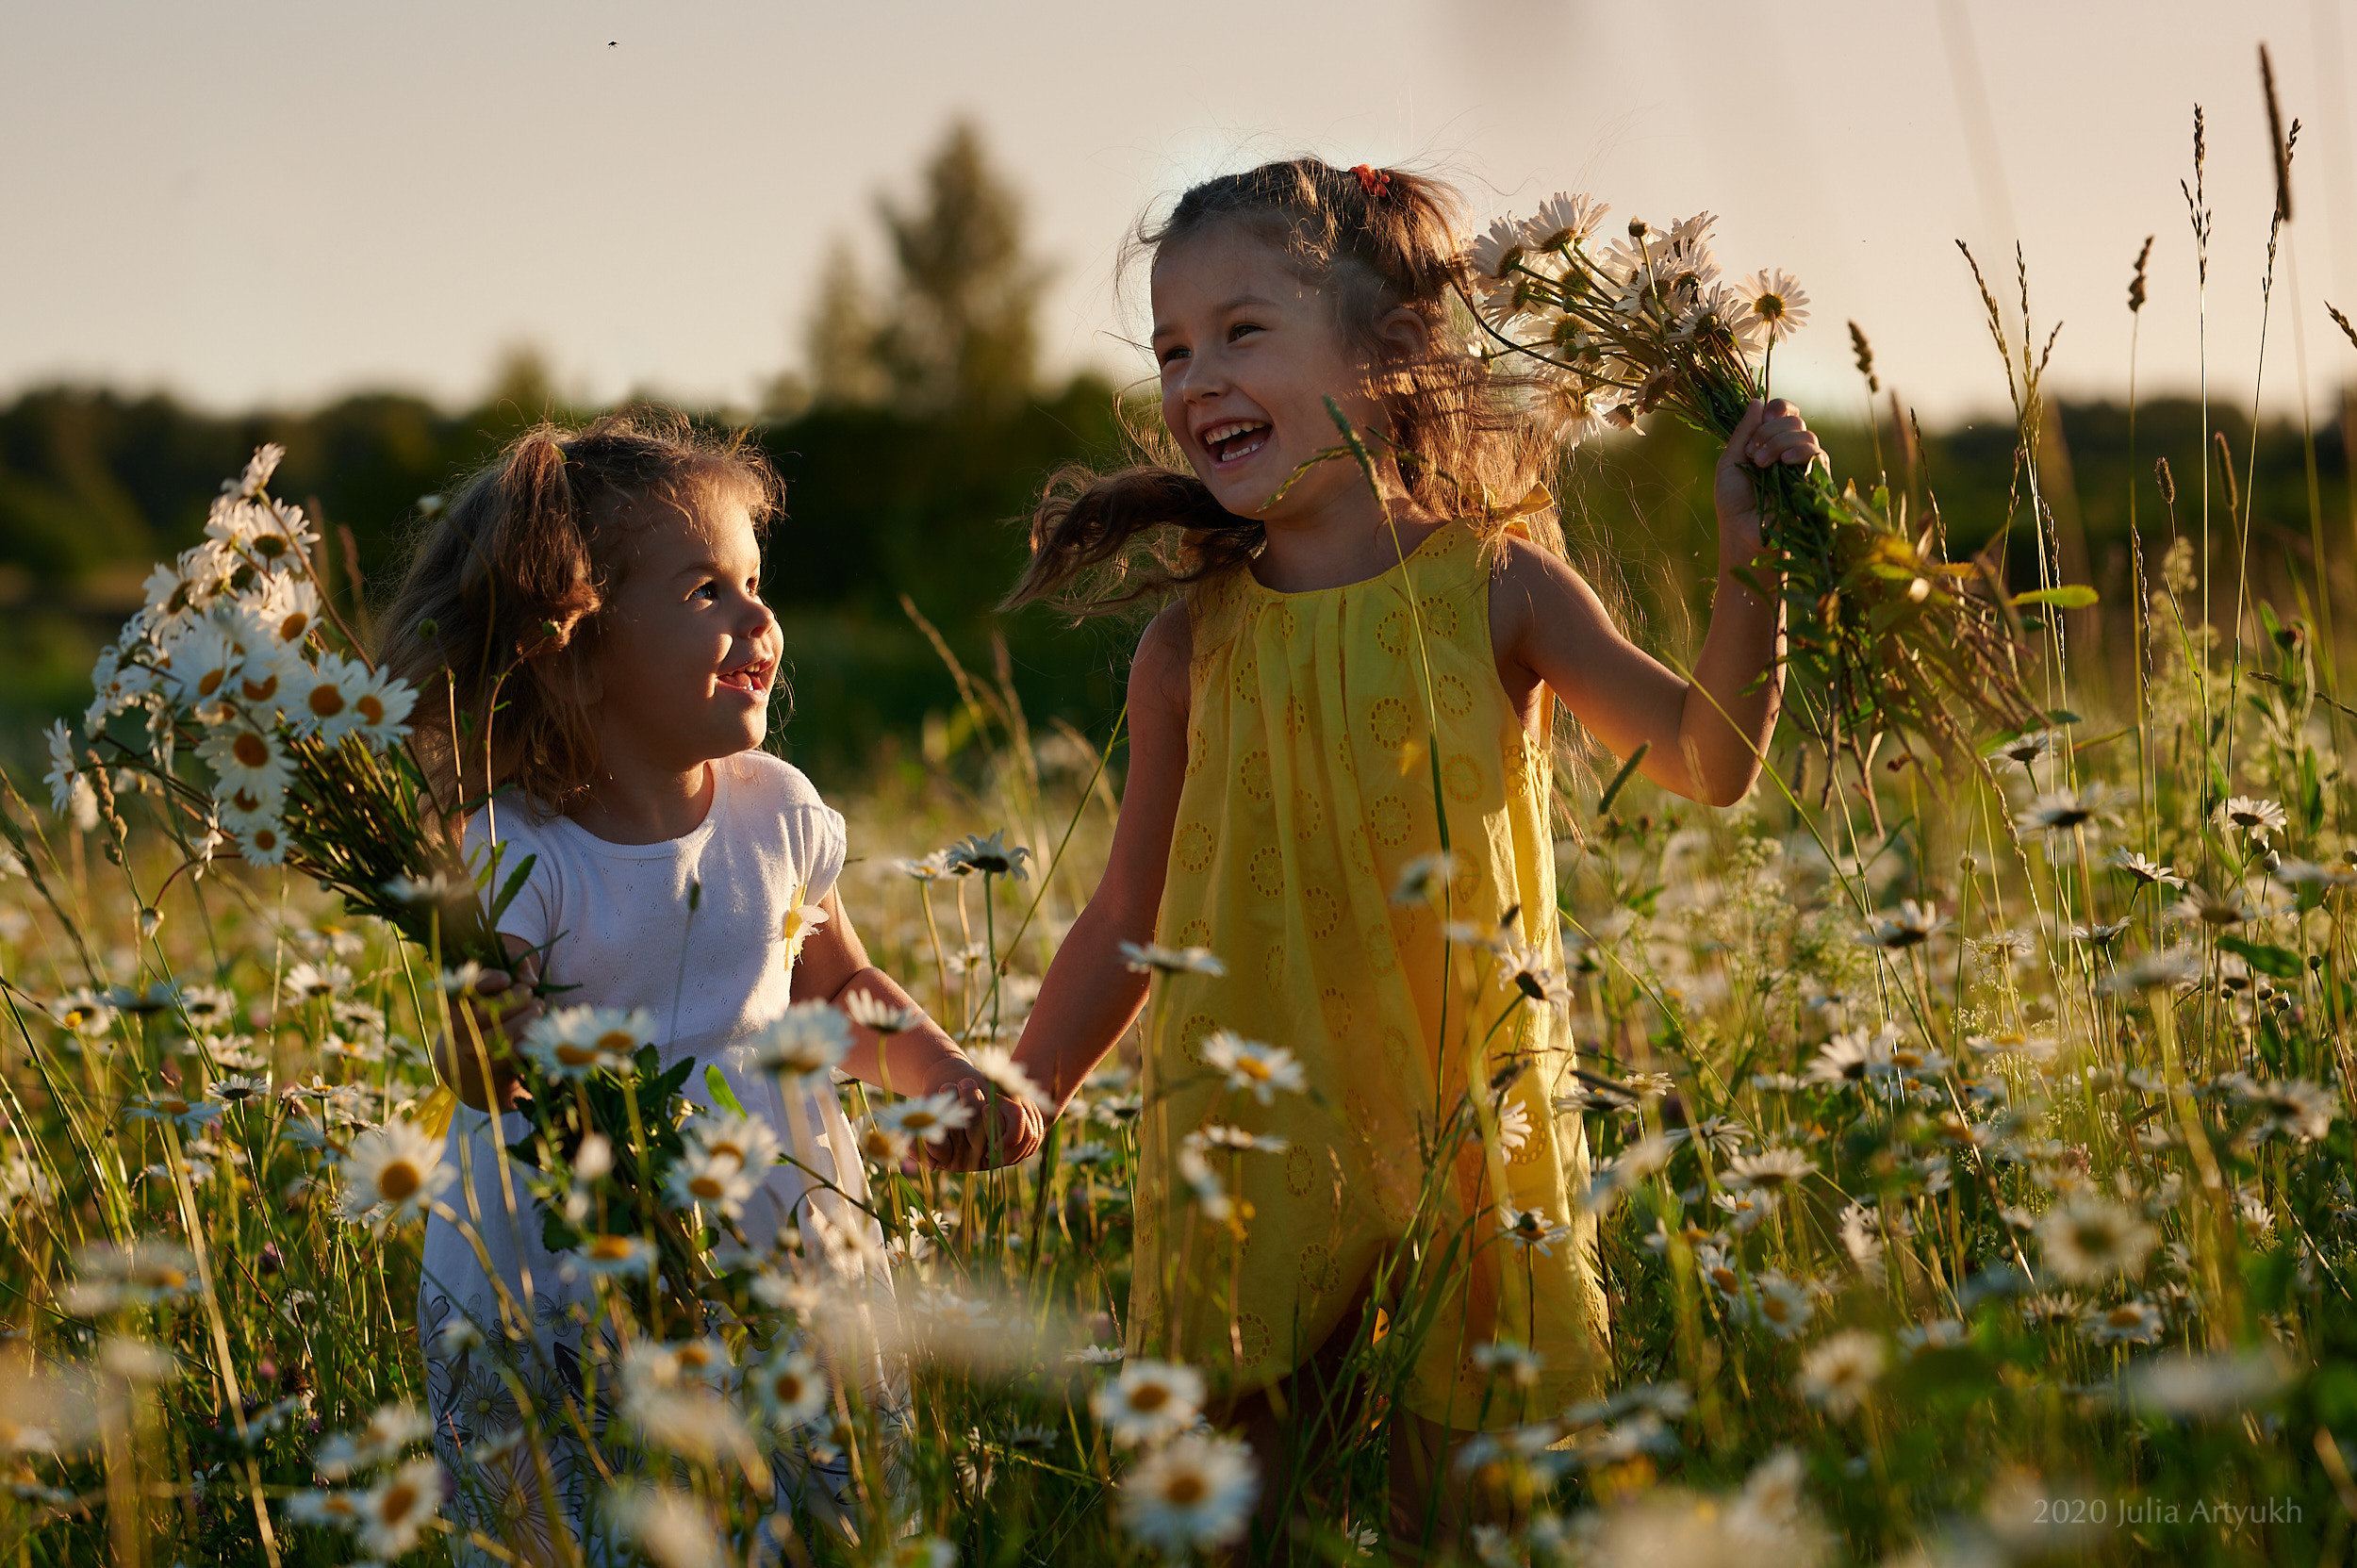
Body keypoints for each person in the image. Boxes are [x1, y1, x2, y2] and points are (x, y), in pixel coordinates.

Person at [1003, 158, 1822, 1550]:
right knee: (1235, 1507)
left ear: (1393, 357)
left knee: (1458, 1513)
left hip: (1468, 1110)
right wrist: (1024, 1081)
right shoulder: (1190, 642)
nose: (1197, 376)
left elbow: (1706, 757)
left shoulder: (1496, 584)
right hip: (1250, 1114)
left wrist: (1758, 559)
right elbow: (1132, 905)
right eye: (1173, 348)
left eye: (1244, 331)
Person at [377, 410, 1042, 1562]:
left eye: (753, 582)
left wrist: (943, 1077)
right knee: (586, 1511)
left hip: (771, 1222)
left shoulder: (775, 809)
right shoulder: (516, 851)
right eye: (704, 593)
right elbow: (480, 1068)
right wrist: (489, 1035)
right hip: (570, 1248)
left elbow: (833, 991)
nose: (757, 619)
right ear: (574, 652)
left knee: (809, 1501)